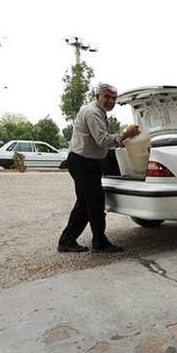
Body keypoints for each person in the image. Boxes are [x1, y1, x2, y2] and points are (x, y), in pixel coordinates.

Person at [58, 83, 140, 254]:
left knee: (84, 204)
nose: (111, 101)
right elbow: (102, 140)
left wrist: (120, 142)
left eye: (114, 98)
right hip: (84, 163)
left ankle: (66, 241)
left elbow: (100, 141)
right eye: (107, 97)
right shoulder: (93, 112)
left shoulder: (96, 111)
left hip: (83, 161)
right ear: (98, 97)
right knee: (95, 204)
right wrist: (125, 135)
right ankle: (99, 243)